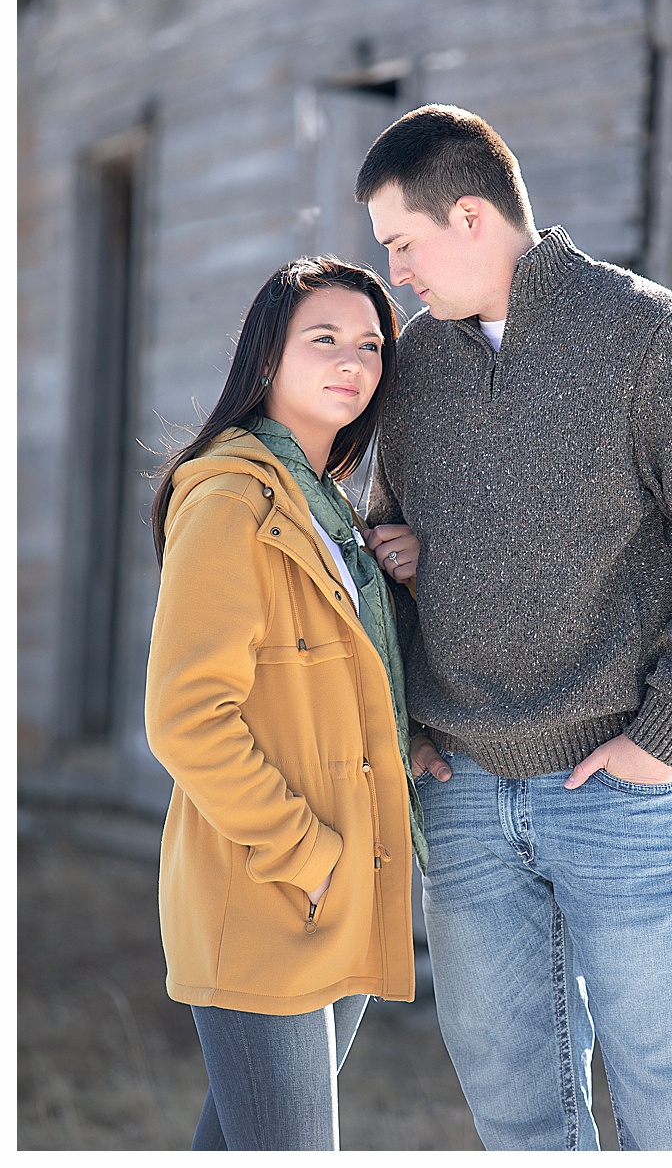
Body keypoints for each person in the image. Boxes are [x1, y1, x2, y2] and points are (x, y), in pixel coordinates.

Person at [354, 103, 672, 1151]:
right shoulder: (412, 366)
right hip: (458, 797)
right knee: (516, 1121)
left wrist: (665, 729)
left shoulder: (643, 331)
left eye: (402, 242)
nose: (398, 270)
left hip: (618, 789)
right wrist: (396, 574)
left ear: (468, 215)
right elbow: (390, 536)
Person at [145, 257, 423, 1151]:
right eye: (326, 339)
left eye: (372, 344)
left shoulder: (327, 511)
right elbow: (186, 716)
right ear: (268, 358)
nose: (354, 362)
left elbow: (319, 682)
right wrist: (311, 856)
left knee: (238, 1145)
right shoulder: (230, 498)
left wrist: (396, 586)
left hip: (331, 891)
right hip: (273, 889)